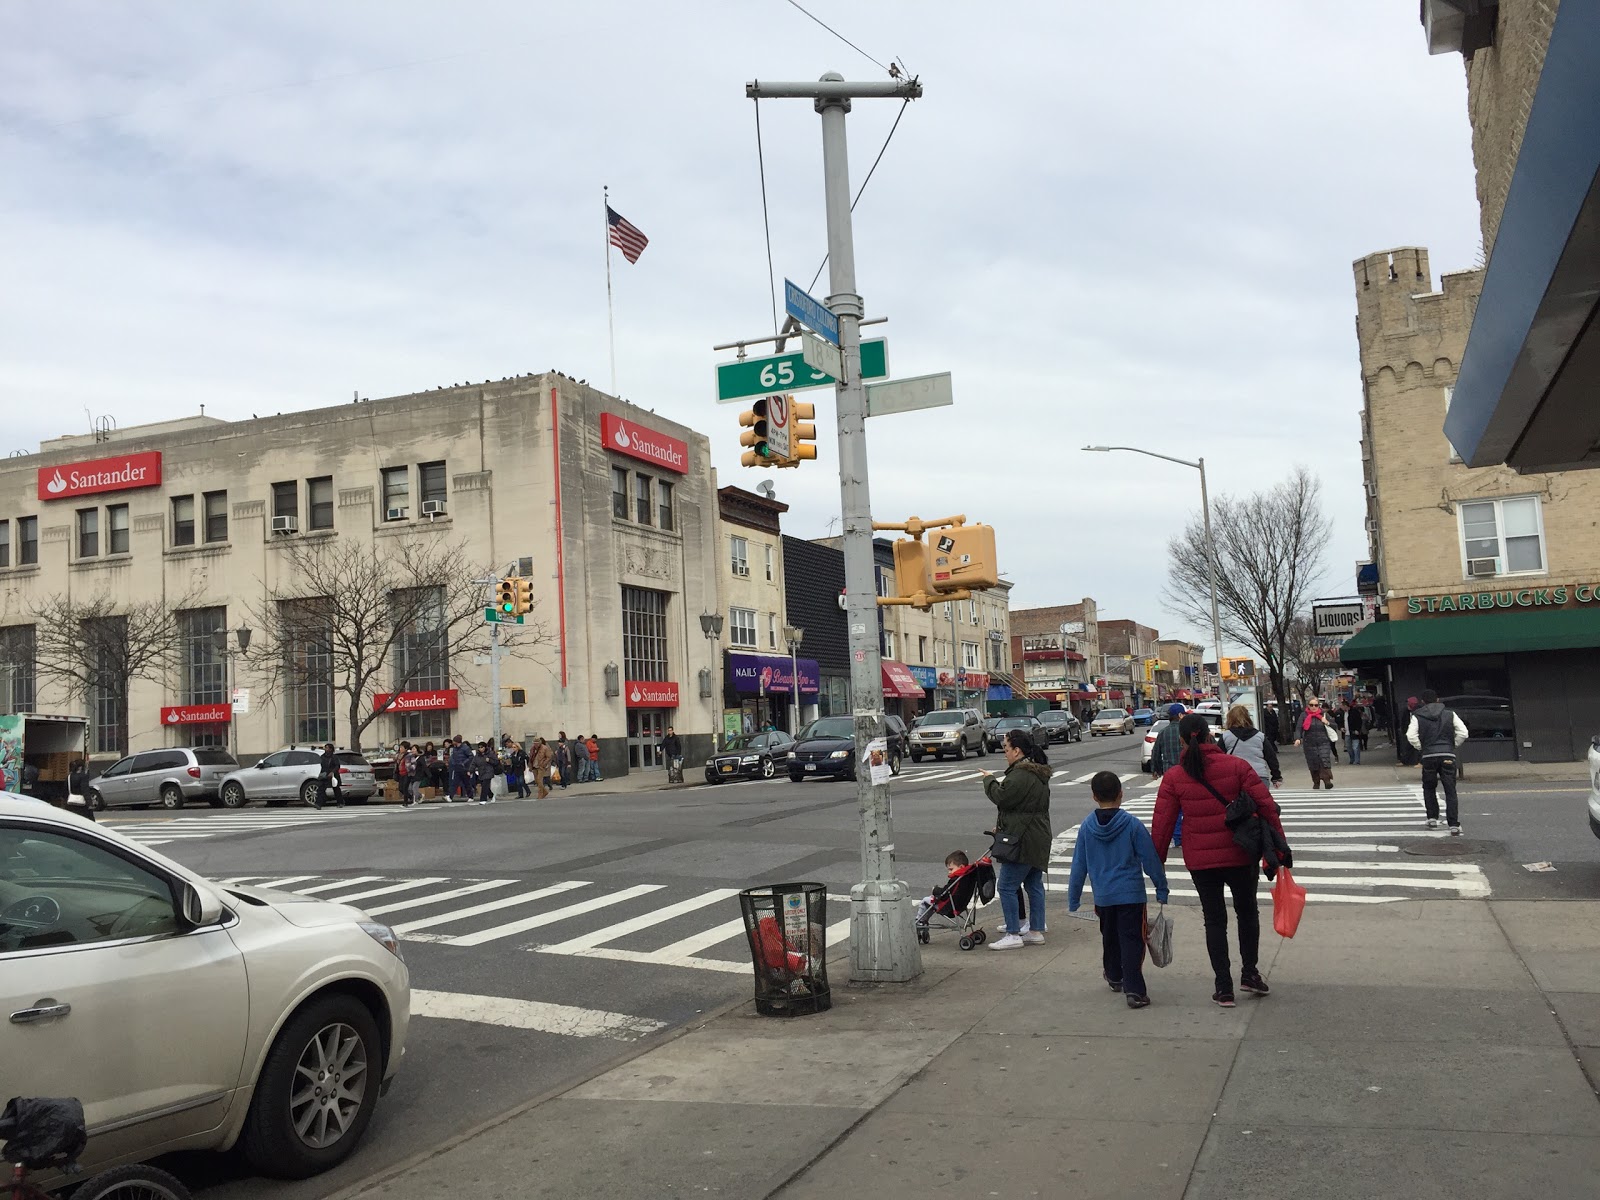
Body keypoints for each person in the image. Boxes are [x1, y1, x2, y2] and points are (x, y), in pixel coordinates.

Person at [1152, 715, 1288, 1007]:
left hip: (1200, 859)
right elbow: (1266, 806)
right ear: (1210, 736)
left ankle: (1223, 986)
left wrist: (1157, 864)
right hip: (1240, 853)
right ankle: (1249, 973)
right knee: (1247, 912)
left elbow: (1163, 823)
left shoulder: (1175, 776)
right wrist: (1278, 848)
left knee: (1214, 920)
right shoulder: (1237, 767)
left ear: (1183, 740)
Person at [1067, 771, 1169, 1008]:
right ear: (1121, 794)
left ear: (1094, 796)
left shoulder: (1086, 827)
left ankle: (1114, 976)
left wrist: (1073, 898)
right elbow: (1150, 860)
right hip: (1131, 895)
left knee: (1110, 937)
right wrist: (1161, 888)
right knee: (1133, 940)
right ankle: (1135, 989)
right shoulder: (1132, 825)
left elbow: (1078, 866)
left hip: (1103, 897)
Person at [980, 728, 1053, 951]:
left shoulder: (1021, 774)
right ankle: (1035, 930)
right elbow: (1021, 807)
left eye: (1006, 748)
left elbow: (1002, 797)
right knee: (1033, 884)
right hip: (1036, 835)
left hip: (1023, 838)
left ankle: (1013, 933)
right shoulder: (1036, 772)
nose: (1005, 753)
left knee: (1007, 886)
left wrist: (989, 780)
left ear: (1017, 750)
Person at [1407, 689, 1469, 834]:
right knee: (1450, 790)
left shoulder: (1418, 715)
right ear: (1438, 700)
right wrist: (1452, 745)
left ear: (1423, 702)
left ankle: (1432, 817)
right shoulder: (1449, 714)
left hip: (1429, 755)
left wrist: (1421, 747)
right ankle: (1453, 824)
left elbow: (1411, 735)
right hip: (1447, 753)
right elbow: (1463, 733)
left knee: (1429, 787)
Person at [1219, 705, 1281, 789]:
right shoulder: (1260, 736)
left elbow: (1218, 758)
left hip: (1235, 776)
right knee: (1260, 801)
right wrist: (1276, 776)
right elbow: (1271, 757)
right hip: (1258, 775)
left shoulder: (1226, 736)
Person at [1294, 698, 1337, 790]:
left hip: (1323, 742)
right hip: (1309, 743)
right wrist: (1298, 738)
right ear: (1308, 706)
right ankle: (1316, 782)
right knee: (1313, 762)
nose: (1314, 707)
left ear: (1319, 706)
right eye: (1311, 705)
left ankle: (1327, 781)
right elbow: (1298, 728)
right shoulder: (1304, 715)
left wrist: (1327, 722)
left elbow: (1335, 726)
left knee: (1324, 760)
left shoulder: (1324, 715)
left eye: (1316, 705)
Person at [1150, 703, 1187, 777]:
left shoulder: (1163, 732)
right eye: (1184, 715)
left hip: (1169, 772)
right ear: (1180, 715)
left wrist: (1156, 770)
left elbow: (1156, 753)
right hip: (1186, 771)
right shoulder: (1187, 731)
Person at [316, 743, 343, 809]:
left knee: (336, 789)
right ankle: (318, 804)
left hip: (333, 775)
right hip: (325, 775)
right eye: (325, 748)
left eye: (327, 748)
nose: (326, 749)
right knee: (321, 789)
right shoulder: (322, 756)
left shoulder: (334, 757)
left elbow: (337, 766)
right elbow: (322, 765)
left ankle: (340, 802)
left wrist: (332, 772)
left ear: (331, 749)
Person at [448, 736, 472, 801]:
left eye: (454, 741)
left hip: (464, 768)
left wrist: (464, 763)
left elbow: (471, 756)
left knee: (466, 783)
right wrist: (453, 762)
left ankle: (471, 796)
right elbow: (453, 756)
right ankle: (450, 796)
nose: (453, 742)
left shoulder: (465, 748)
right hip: (457, 767)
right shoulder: (454, 748)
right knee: (454, 782)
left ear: (457, 741)